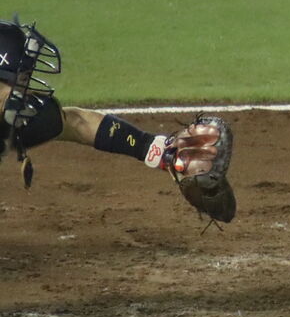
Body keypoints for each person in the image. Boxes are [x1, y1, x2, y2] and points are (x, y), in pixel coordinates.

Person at [0, 16, 235, 221]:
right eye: (18, 81)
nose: (28, 91)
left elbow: (78, 123)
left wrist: (161, 153)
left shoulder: (22, 116)